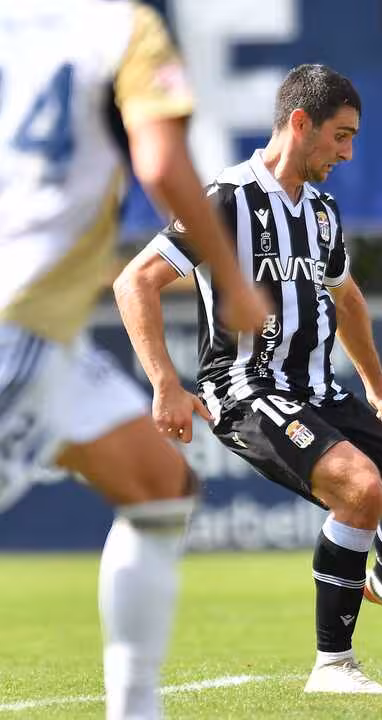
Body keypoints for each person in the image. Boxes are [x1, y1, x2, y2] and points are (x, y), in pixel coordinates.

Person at [114, 64, 382, 696]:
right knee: (358, 489)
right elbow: (133, 281)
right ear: (301, 124)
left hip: (320, 390)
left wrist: (379, 390)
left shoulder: (322, 210)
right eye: (342, 136)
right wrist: (164, 382)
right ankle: (333, 666)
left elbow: (347, 300)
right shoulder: (225, 199)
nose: (348, 153)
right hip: (245, 389)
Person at [0, 1, 267, 718]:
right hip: (15, 317)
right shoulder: (122, 28)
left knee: (159, 485)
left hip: (45, 331)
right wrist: (232, 280)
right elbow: (160, 161)